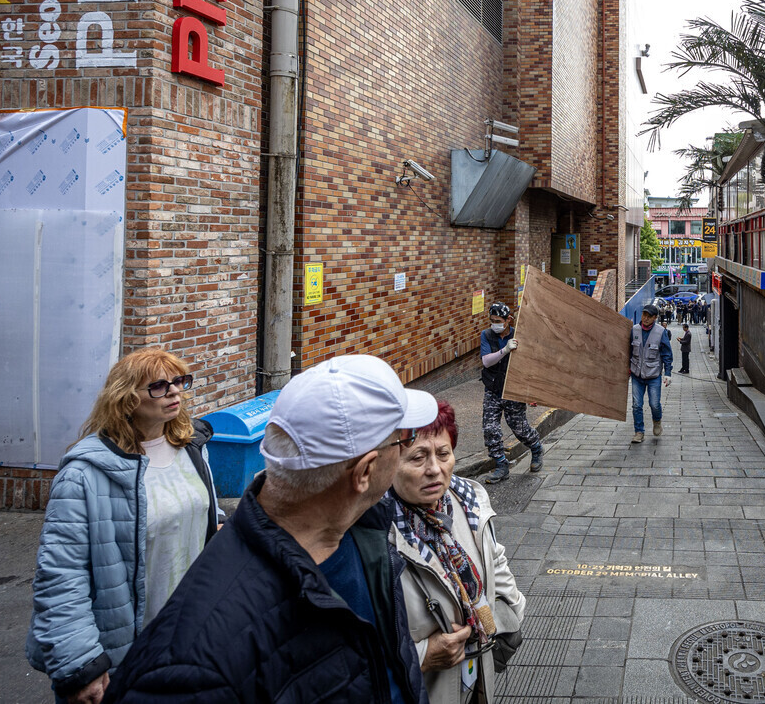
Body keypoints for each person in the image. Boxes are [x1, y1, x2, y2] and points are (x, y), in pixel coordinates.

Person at [104, 355, 435, 703]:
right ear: (364, 473)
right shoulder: (188, 672)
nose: (406, 449)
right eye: (404, 439)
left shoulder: (362, 534)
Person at [27, 348, 220, 704]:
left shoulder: (193, 448)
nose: (175, 391)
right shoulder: (83, 476)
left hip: (188, 638)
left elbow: (205, 517)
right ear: (126, 398)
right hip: (123, 651)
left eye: (179, 381)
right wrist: (81, 666)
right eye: (159, 386)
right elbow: (61, 576)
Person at [389, 401, 525, 704]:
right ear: (389, 461)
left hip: (479, 677)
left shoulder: (468, 500)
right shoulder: (378, 533)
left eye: (443, 453)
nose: (434, 469)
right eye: (418, 457)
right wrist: (422, 656)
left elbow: (494, 557)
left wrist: (510, 615)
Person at [478, 302, 543, 484]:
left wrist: (531, 393)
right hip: (493, 388)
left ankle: (536, 448)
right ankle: (501, 465)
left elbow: (530, 366)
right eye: (491, 321)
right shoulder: (487, 335)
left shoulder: (519, 335)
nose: (494, 324)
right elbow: (486, 362)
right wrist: (505, 350)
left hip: (514, 388)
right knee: (490, 428)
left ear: (508, 320)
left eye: (498, 321)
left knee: (519, 429)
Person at [628, 304, 672, 443]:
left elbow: (666, 353)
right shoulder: (634, 330)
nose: (645, 319)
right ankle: (639, 432)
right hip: (637, 374)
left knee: (654, 404)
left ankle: (657, 420)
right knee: (636, 405)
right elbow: (628, 351)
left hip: (653, 375)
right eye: (644, 315)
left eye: (649, 316)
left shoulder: (660, 332)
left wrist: (668, 373)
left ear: (655, 318)